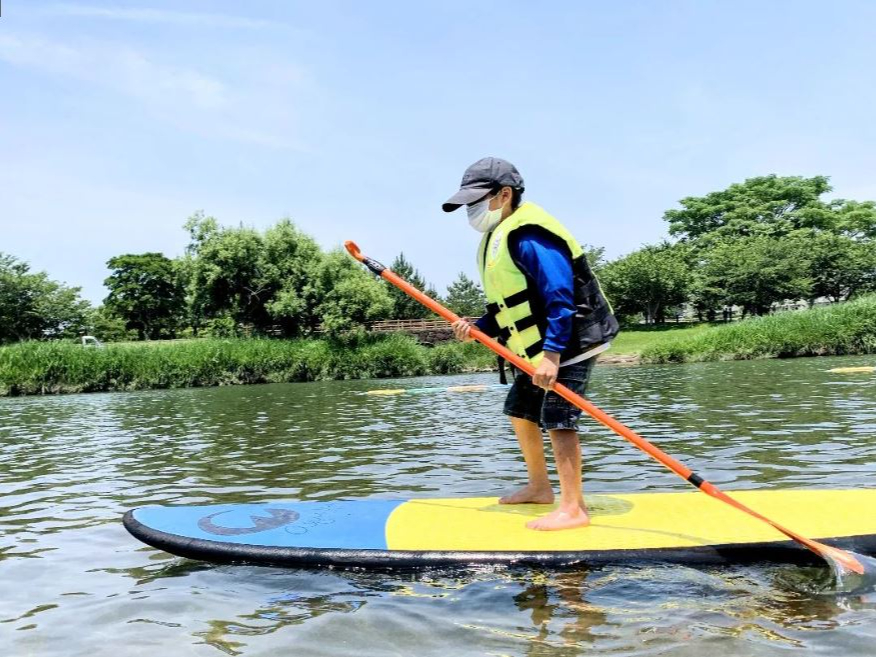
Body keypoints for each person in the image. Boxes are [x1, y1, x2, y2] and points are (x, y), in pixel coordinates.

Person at [442, 157, 619, 531]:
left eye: (476, 200)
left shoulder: (528, 234)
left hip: (569, 340)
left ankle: (574, 508)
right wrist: (477, 327)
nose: (470, 210)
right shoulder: (497, 237)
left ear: (504, 194)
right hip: (538, 348)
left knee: (558, 417)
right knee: (520, 410)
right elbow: (509, 305)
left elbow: (559, 295)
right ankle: (540, 488)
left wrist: (552, 356)